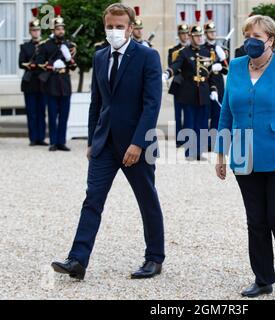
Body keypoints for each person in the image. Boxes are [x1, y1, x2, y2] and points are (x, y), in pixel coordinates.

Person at [51, 3, 165, 280]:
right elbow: (97, 103)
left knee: (146, 199)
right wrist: (92, 141)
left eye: (119, 26)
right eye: (110, 26)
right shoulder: (101, 57)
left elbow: (152, 105)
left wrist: (138, 144)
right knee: (93, 199)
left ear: (130, 28)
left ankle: (154, 258)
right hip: (104, 145)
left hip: (137, 145)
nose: (114, 31)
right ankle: (77, 260)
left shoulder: (148, 57)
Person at [215, 15, 275, 298]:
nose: (250, 41)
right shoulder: (235, 66)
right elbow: (226, 112)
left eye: (256, 36)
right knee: (255, 220)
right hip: (245, 157)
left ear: (271, 39)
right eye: (247, 35)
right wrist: (221, 153)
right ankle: (263, 279)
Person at [163, 10, 218, 161]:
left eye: (201, 36)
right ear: (191, 37)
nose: (200, 38)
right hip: (188, 92)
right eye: (196, 36)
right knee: (190, 123)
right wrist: (167, 73)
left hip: (204, 92)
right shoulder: (184, 52)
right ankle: (190, 152)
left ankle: (200, 152)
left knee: (202, 124)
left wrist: (213, 89)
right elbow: (176, 65)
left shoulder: (208, 52)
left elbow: (210, 74)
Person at [36, 6, 77, 152]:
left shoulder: (68, 45)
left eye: (62, 29)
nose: (61, 31)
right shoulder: (46, 45)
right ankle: (53, 141)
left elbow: (73, 66)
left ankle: (61, 141)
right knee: (52, 115)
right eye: (58, 29)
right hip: (51, 83)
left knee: (64, 115)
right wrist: (52, 65)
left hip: (64, 83)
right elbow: (39, 64)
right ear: (53, 30)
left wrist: (70, 59)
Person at [18, 8, 47, 147]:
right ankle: (33, 138)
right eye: (33, 30)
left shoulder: (45, 46)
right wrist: (31, 65)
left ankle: (41, 138)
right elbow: (20, 63)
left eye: (38, 30)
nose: (36, 32)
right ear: (30, 32)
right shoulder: (25, 47)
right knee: (31, 112)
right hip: (29, 83)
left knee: (42, 112)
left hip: (42, 82)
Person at [203, 10, 229, 150]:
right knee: (206, 114)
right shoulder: (203, 49)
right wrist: (214, 65)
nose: (213, 33)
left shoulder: (219, 48)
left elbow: (227, 69)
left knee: (217, 115)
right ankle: (205, 142)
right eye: (210, 31)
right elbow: (204, 67)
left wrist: (222, 59)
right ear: (206, 33)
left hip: (219, 84)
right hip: (207, 84)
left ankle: (213, 142)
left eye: (214, 31)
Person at [167, 11, 190, 148]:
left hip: (188, 85)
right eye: (182, 33)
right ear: (179, 35)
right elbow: (172, 65)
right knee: (177, 114)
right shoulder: (173, 50)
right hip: (178, 84)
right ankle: (178, 140)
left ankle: (187, 138)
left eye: (186, 33)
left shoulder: (191, 50)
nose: (185, 36)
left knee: (188, 113)